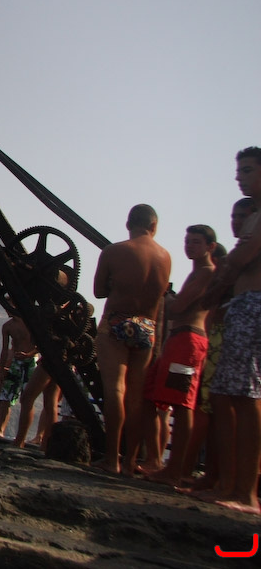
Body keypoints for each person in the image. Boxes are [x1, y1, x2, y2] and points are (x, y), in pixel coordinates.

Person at [199, 147, 261, 514]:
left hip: (253, 304)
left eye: (248, 171)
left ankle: (246, 493)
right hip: (242, 304)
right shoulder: (255, 217)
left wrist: (219, 281)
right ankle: (226, 483)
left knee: (246, 397)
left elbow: (240, 258)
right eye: (239, 172)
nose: (240, 178)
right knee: (225, 395)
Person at [93, 204, 172, 475]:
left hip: (117, 320)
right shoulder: (166, 257)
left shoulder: (114, 251)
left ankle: (112, 459)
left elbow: (98, 290)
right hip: (147, 327)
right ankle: (130, 462)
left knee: (115, 389)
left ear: (128, 224)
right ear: (154, 226)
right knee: (136, 397)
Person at [142, 225, 217, 486]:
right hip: (179, 342)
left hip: (188, 342)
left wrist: (162, 293)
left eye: (196, 242)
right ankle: (156, 460)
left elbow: (179, 307)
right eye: (187, 241)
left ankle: (175, 469)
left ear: (210, 247)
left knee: (182, 404)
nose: (189, 246)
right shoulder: (197, 272)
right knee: (152, 396)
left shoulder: (206, 273)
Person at [0, 315, 38, 437]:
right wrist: (1, 367)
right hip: (16, 362)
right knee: (5, 396)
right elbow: (5, 350)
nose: (7, 311)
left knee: (27, 398)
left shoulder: (32, 322)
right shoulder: (7, 326)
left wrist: (29, 355)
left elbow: (42, 343)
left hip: (31, 361)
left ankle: (21, 436)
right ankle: (0, 430)